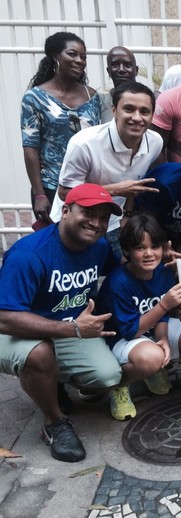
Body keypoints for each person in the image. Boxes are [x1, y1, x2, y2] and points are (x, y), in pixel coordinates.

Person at [0, 184, 123, 462]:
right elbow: (4, 318)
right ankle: (54, 422)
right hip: (14, 331)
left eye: (104, 217)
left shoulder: (99, 246)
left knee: (107, 375)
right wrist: (73, 329)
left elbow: (119, 273)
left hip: (68, 327)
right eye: (89, 213)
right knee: (40, 355)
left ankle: (51, 380)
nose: (96, 223)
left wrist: (156, 263)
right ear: (65, 211)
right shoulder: (29, 254)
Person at [49, 81, 163, 259]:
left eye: (144, 111)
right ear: (114, 110)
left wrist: (128, 213)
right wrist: (116, 190)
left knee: (122, 272)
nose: (137, 117)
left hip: (113, 221)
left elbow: (136, 182)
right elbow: (65, 193)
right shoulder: (84, 143)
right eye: (129, 109)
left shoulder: (155, 142)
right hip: (76, 221)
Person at [97, 214, 181, 420]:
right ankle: (119, 385)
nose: (149, 254)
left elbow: (162, 317)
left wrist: (163, 338)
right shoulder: (118, 282)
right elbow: (130, 330)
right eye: (140, 248)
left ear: (163, 247)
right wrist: (165, 303)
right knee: (151, 358)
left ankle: (153, 370)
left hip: (148, 329)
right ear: (127, 250)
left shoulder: (162, 272)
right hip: (119, 337)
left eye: (154, 246)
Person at [21, 32, 102, 225]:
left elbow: (97, 142)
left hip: (85, 184)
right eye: (72, 54)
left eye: (83, 57)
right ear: (56, 56)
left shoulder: (92, 97)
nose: (79, 61)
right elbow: (30, 147)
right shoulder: (34, 98)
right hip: (51, 185)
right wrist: (40, 194)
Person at [99, 46, 139, 122]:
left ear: (136, 70)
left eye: (127, 65)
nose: (121, 69)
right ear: (108, 71)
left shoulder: (150, 100)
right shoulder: (101, 103)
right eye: (115, 65)